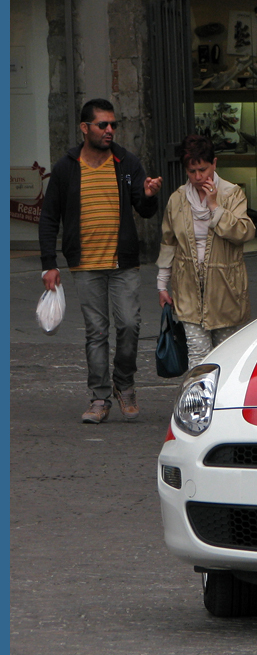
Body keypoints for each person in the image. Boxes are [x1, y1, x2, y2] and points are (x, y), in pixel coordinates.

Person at [38, 98, 163, 424]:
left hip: (123, 262)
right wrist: (49, 263)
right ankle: (99, 397)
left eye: (113, 125)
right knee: (96, 332)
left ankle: (125, 384)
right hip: (85, 264)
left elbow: (144, 209)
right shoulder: (66, 167)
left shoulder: (126, 163)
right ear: (85, 128)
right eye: (102, 125)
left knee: (129, 325)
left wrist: (149, 196)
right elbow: (49, 217)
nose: (110, 130)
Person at [157, 134, 256, 369]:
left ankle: (222, 403)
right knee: (198, 354)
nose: (198, 177)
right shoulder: (178, 199)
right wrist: (162, 284)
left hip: (226, 289)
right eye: (192, 172)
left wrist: (215, 207)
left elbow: (245, 232)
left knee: (226, 356)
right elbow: (168, 242)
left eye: (203, 169)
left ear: (214, 163)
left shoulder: (231, 194)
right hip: (189, 287)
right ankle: (197, 405)